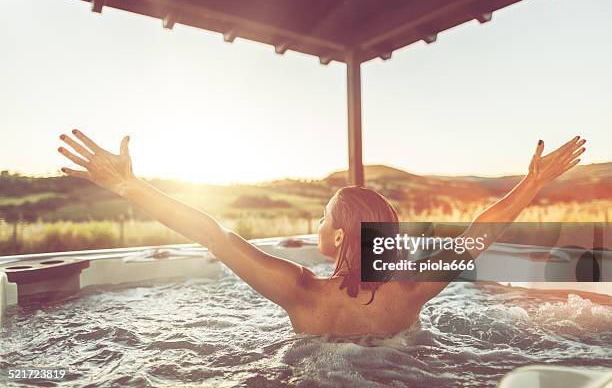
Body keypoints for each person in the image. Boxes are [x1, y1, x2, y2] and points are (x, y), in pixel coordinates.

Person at [57, 130, 586, 336]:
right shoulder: (411, 288)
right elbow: (480, 232)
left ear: (337, 237)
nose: (316, 223)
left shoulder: (301, 293)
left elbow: (213, 234)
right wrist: (533, 183)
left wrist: (131, 187)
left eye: (323, 216)